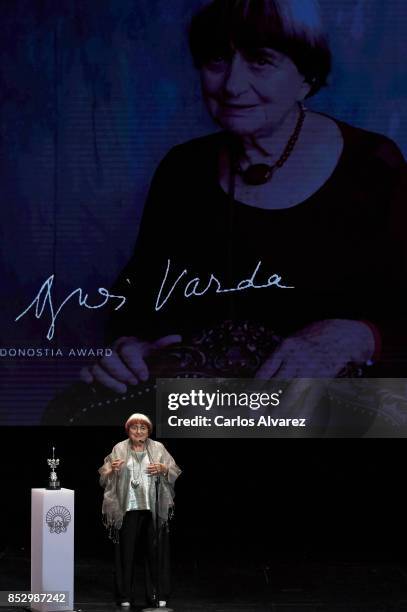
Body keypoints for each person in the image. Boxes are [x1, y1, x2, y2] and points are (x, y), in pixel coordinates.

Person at [81, 0, 407, 394]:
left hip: (333, 415)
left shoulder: (373, 166)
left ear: (306, 77)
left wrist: (359, 336)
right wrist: (129, 349)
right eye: (217, 60)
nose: (232, 85)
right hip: (205, 413)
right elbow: (135, 307)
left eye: (260, 61)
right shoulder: (183, 170)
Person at [99, 413, 181, 608]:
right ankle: (124, 595)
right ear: (128, 430)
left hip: (153, 507)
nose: (138, 431)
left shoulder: (158, 448)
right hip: (127, 508)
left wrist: (163, 468)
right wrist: (111, 469)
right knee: (126, 554)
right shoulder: (119, 447)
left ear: (148, 431)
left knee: (155, 552)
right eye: (134, 428)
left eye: (143, 428)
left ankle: (157, 594)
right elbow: (104, 475)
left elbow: (174, 470)